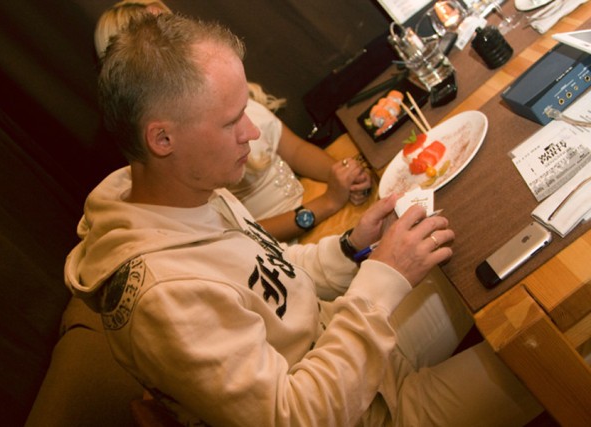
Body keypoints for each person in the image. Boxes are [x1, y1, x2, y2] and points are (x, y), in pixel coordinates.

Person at [65, 13, 543, 426]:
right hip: (362, 412)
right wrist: (381, 281)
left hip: (350, 346)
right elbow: (297, 416)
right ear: (162, 139)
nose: (252, 132)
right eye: (231, 122)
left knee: (473, 245)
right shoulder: (164, 303)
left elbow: (276, 271)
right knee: (548, 350)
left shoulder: (186, 190)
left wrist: (351, 246)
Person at [93, 0, 373, 243]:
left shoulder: (225, 93)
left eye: (171, 26)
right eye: (154, 43)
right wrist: (326, 203)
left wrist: (340, 174)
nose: (174, 42)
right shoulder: (189, 163)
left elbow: (295, 150)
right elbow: (241, 235)